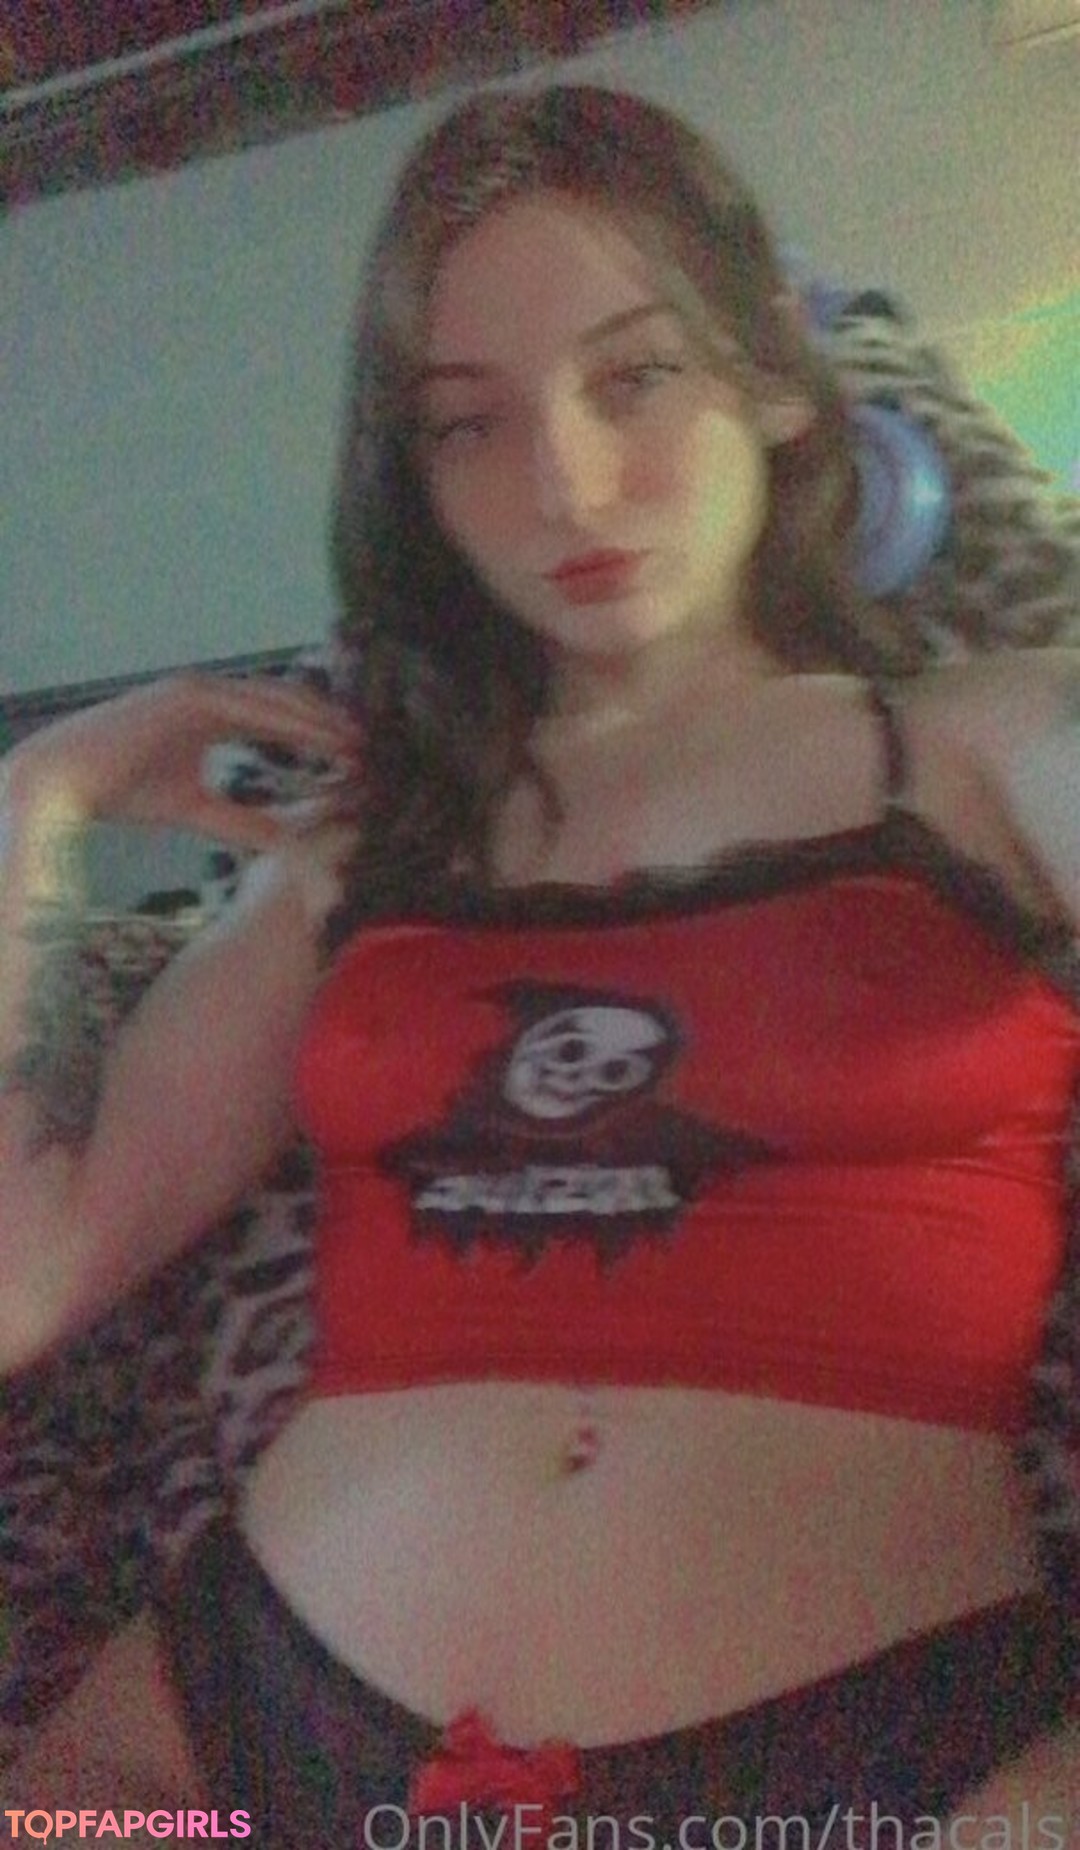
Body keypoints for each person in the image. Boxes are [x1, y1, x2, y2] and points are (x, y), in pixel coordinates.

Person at [2, 82, 1079, 1843]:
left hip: (868, 1785)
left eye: (633, 376)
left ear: (775, 380)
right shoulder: (367, 841)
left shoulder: (985, 745)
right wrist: (32, 813)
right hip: (250, 1761)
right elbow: (22, 1273)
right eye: (468, 424)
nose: (565, 482)